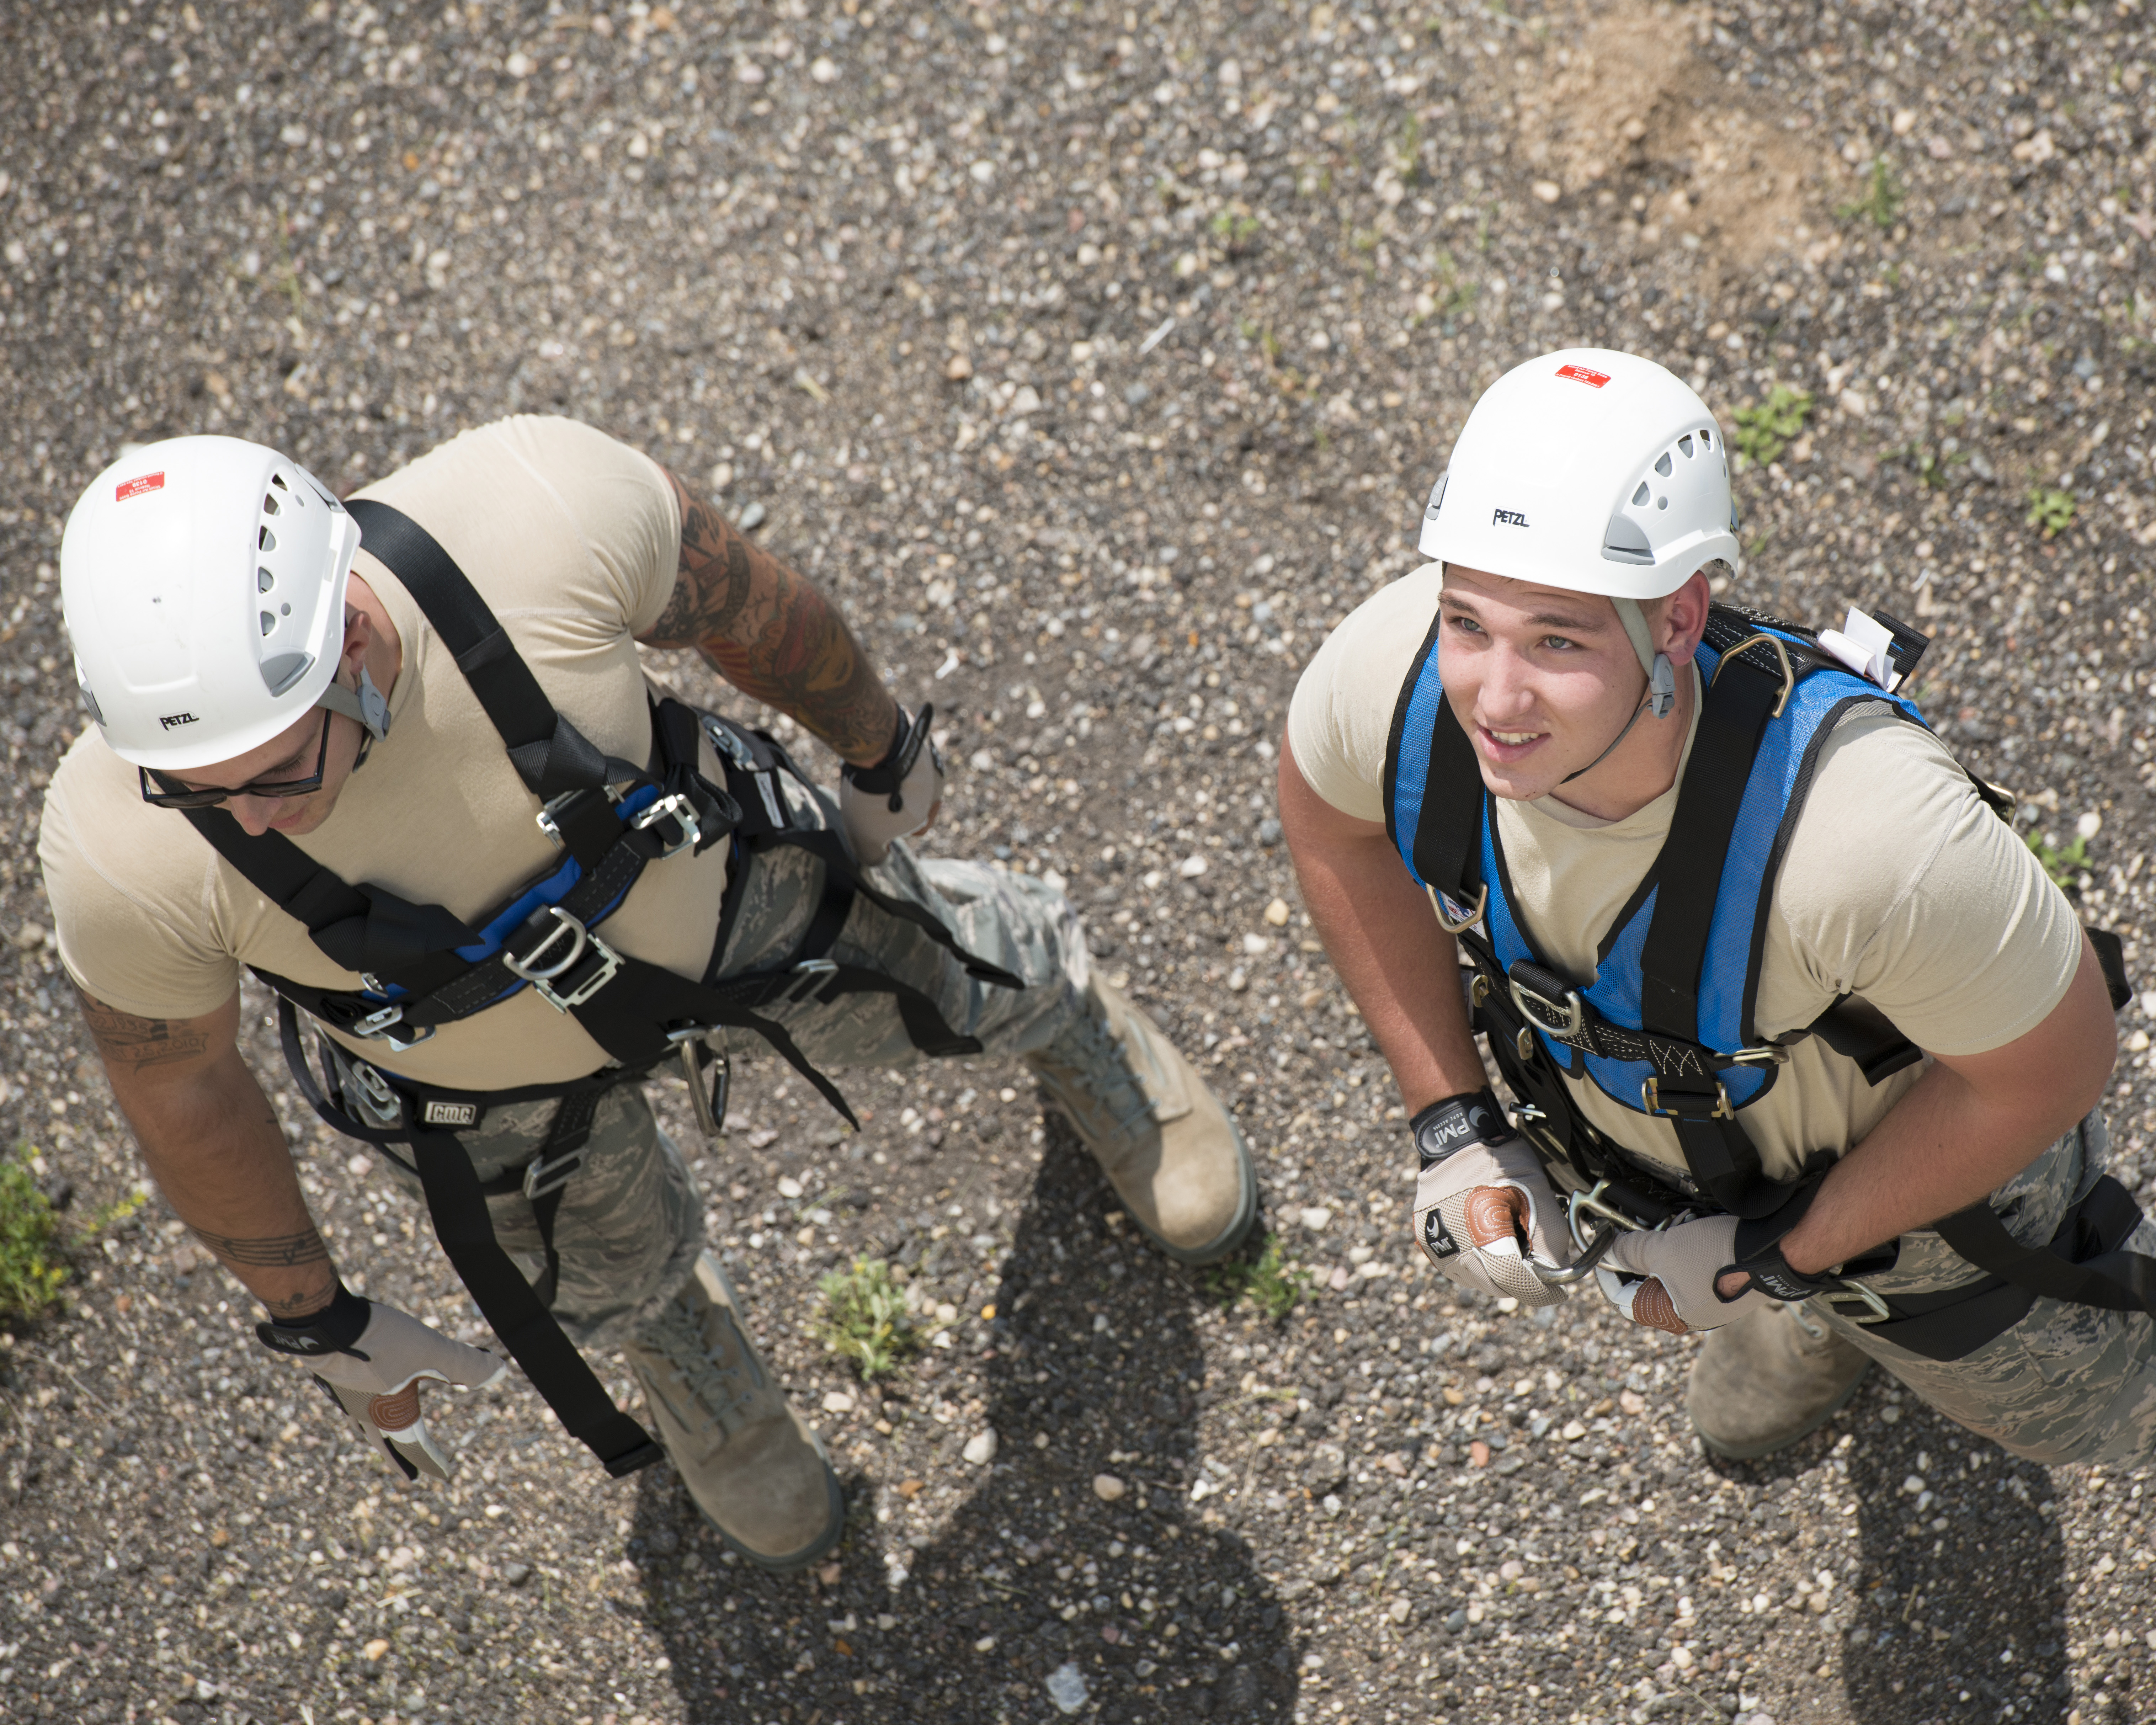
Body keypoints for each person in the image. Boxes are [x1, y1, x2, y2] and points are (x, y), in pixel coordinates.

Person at [1276, 348, 2156, 1722]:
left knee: (2060, 1401)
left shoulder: (1868, 845)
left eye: (1560, 641)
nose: (1494, 697)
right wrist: (1454, 1126)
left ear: (1678, 618)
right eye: (1471, 621)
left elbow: (2053, 1066)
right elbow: (1329, 822)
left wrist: (1778, 1252)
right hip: (1700, 1148)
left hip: (1931, 1173)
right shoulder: (1403, 677)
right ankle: (1821, 1320)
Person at [40, 416, 1254, 1571]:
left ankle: (1070, 1011)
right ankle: (681, 1343)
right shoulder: (121, 847)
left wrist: (880, 751)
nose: (244, 819)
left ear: (347, 637)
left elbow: (756, 608)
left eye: (275, 768)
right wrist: (317, 1317)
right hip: (474, 1091)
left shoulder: (536, 514)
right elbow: (178, 1080)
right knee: (605, 1271)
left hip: (721, 912)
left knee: (958, 973)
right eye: (193, 791)